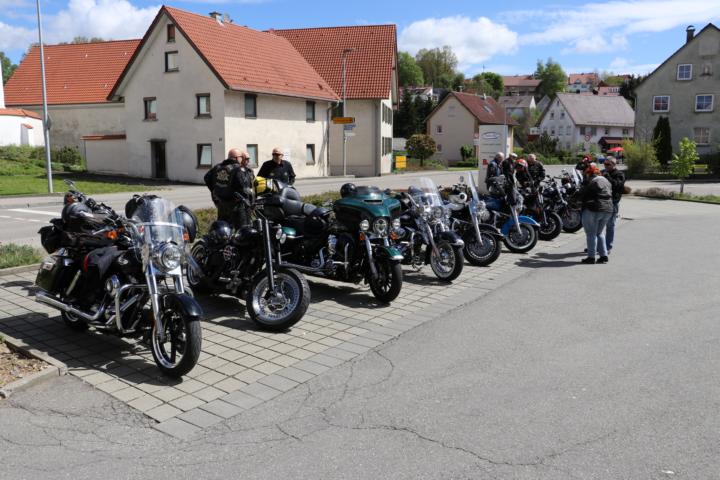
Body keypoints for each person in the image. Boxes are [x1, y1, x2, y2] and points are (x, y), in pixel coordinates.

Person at [577, 164, 613, 264]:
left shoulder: (592, 182)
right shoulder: (606, 181)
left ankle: (591, 257)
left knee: (591, 234)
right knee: (599, 233)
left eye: (586, 175)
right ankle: (603, 256)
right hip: (608, 209)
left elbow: (582, 194)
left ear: (589, 174)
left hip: (594, 209)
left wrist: (574, 197)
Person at [204, 148, 242, 224]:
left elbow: (206, 178)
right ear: (237, 158)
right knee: (237, 227)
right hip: (234, 204)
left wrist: (214, 190)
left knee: (223, 225)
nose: (242, 159)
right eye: (241, 157)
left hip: (221, 203)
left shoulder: (218, 167)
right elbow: (242, 186)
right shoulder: (238, 169)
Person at [603, 157, 625, 253]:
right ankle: (596, 245)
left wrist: (608, 177)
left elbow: (617, 185)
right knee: (597, 225)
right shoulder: (603, 172)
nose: (606, 166)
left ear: (614, 165)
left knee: (610, 225)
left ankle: (608, 246)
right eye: (605, 164)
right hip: (601, 202)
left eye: (608, 164)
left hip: (613, 202)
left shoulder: (619, 174)